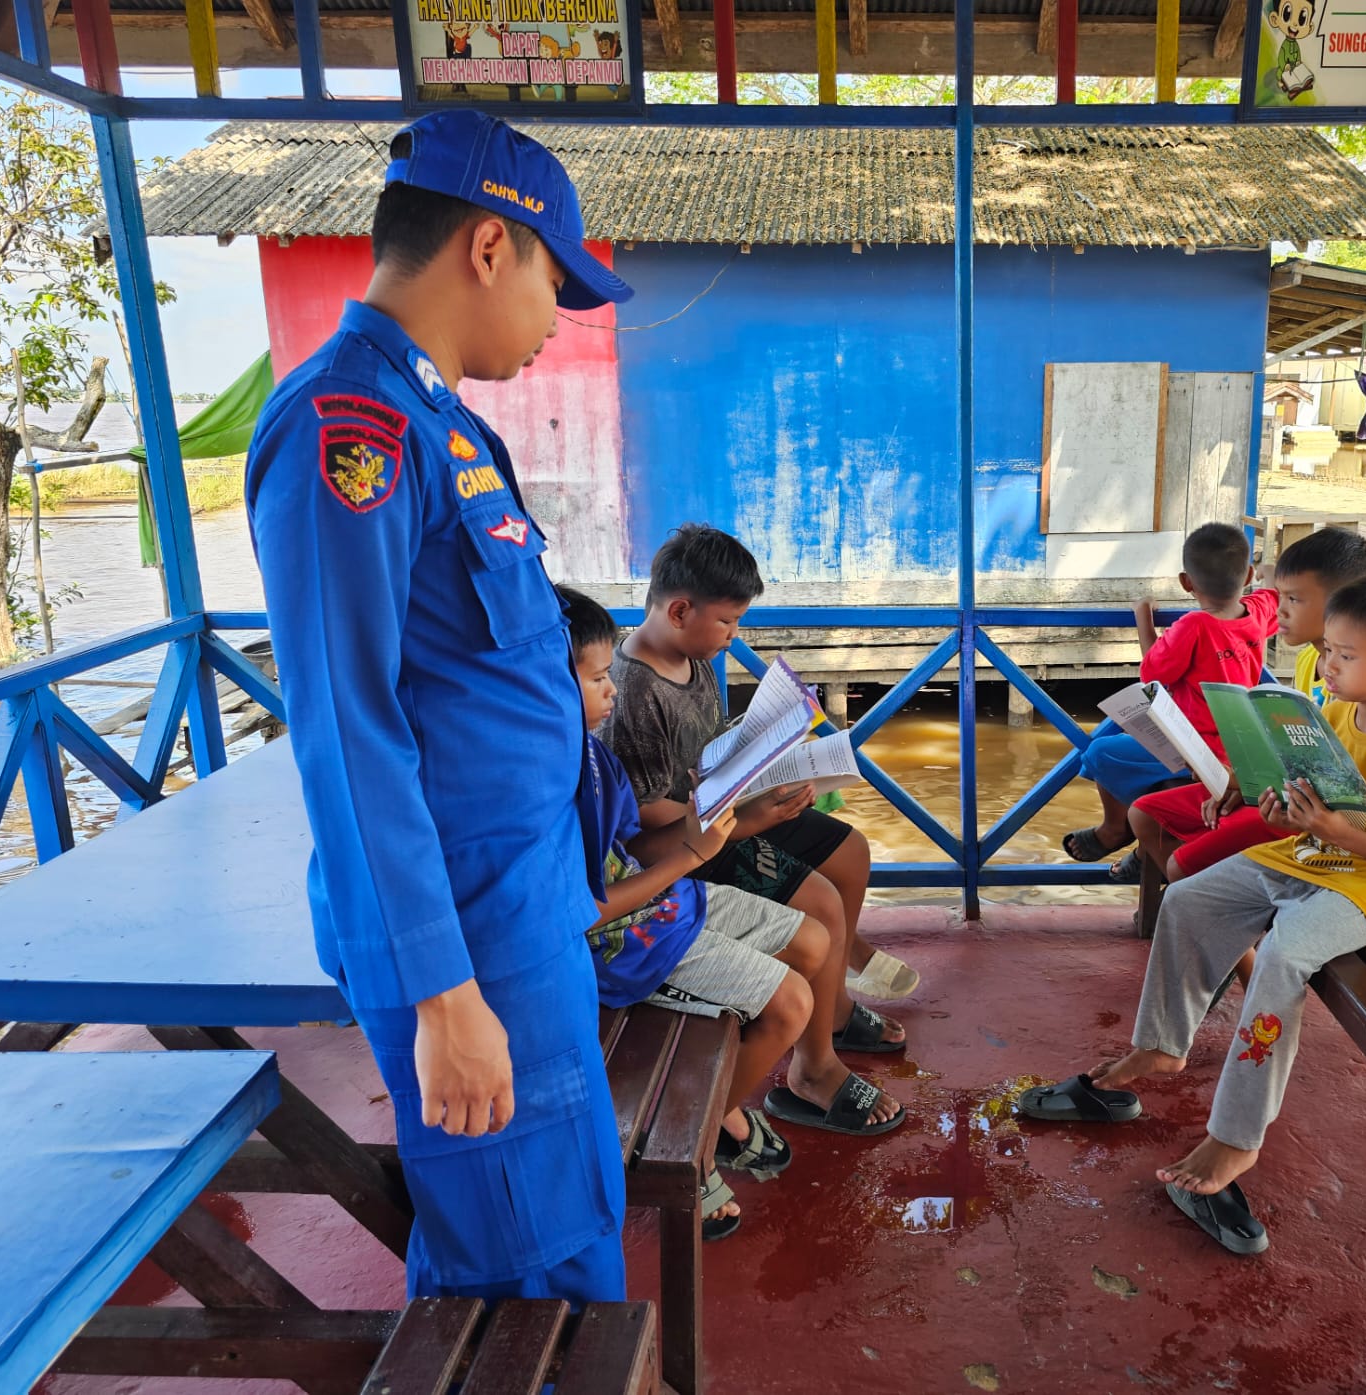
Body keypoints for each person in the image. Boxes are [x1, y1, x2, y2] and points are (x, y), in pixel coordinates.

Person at [245, 111, 634, 1305]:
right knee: (525, 1271)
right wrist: (441, 992)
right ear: (489, 246)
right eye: (556, 281)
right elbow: (346, 730)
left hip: (522, 903)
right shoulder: (348, 432)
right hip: (466, 939)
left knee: (563, 1222)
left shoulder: (441, 427)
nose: (560, 315)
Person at [1020, 574, 1366, 1255]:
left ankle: (1234, 1139)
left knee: (1283, 957)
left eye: (1345, 655)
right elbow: (1314, 807)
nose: (1327, 665)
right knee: (1187, 897)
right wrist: (1276, 806)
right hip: (1309, 857)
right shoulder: (1335, 713)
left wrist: (1337, 833)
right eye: (1327, 650)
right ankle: (1160, 1046)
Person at [563, 588, 896, 1239]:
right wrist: (696, 849)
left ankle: (715, 1111)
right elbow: (583, 912)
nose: (610, 690)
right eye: (596, 678)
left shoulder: (592, 754)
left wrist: (701, 827)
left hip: (665, 901)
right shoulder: (548, 780)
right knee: (791, 1002)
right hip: (623, 945)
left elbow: (633, 847)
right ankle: (690, 1137)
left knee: (813, 939)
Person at [602, 524, 909, 1136]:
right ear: (680, 610)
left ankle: (834, 1009)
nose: (734, 635)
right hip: (691, 838)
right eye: (728, 622)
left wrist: (767, 767)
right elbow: (648, 819)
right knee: (820, 903)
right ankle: (813, 1070)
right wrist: (750, 814)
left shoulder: (693, 659)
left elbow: (704, 756)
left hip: (725, 808)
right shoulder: (634, 692)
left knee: (849, 851)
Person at [1127, 527, 1366, 889]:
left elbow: (1344, 784)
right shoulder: (1308, 662)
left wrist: (1254, 787)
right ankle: (1201, 902)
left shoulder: (1359, 682)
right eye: (1281, 596)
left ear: (1341, 603)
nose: (1280, 609)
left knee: (1182, 867)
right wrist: (1243, 784)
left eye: (1294, 599)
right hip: (1277, 794)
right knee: (1143, 815)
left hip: (1312, 818)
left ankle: (1204, 903)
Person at [1062, 522, 1279, 876]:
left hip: (1194, 752)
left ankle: (1114, 829)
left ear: (1186, 582)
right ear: (1248, 575)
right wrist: (1267, 576)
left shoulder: (1194, 626)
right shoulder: (1257, 611)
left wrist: (1143, 614)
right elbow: (1273, 594)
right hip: (1238, 753)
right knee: (1125, 758)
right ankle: (1143, 846)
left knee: (1101, 752)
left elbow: (1152, 672)